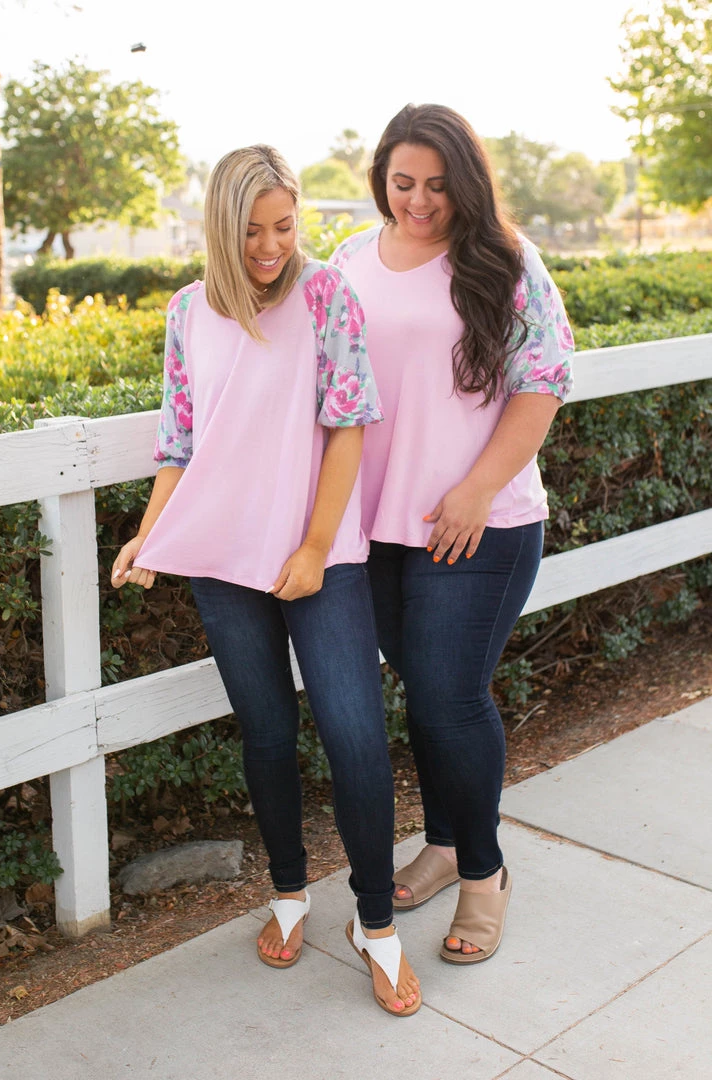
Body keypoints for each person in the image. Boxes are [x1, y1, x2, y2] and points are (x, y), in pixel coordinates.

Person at [111, 145, 420, 1016]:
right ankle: (288, 893)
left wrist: (316, 547)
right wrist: (147, 538)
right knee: (267, 735)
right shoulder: (186, 311)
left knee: (355, 738)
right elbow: (181, 444)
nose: (272, 246)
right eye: (252, 230)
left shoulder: (326, 295)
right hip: (223, 564)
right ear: (220, 226)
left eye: (285, 226)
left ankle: (376, 925)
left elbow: (349, 424)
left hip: (322, 562)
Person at [330, 104, 574, 964]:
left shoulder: (505, 260)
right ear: (381, 179)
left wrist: (476, 489)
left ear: (465, 184)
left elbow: (543, 381)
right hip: (376, 529)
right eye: (403, 182)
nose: (420, 201)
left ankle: (482, 873)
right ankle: (441, 845)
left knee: (448, 698)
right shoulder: (348, 260)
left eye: (438, 185)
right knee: (425, 695)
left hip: (479, 524)